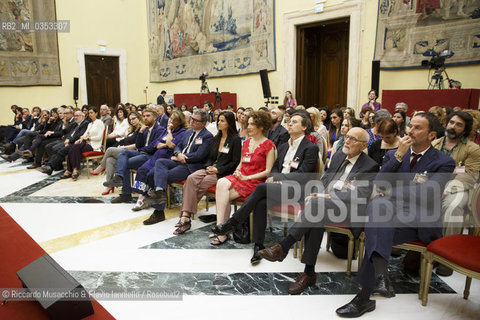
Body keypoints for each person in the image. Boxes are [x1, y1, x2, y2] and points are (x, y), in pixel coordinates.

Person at [336, 112, 455, 318]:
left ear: (431, 134)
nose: (410, 130)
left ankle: (369, 291)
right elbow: (380, 183)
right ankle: (373, 287)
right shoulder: (395, 155)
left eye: (418, 128)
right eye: (411, 126)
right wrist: (399, 155)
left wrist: (392, 192)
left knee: (376, 221)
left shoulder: (443, 162)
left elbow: (429, 193)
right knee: (379, 213)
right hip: (390, 215)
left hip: (419, 221)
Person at [257, 127, 379, 294]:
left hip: (349, 208)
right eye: (346, 137)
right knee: (316, 212)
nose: (347, 141)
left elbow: (360, 194)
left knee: (316, 207)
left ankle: (284, 247)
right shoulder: (338, 156)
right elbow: (325, 179)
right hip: (324, 204)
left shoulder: (369, 166)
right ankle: (308, 272)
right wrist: (318, 193)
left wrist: (326, 197)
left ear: (364, 145)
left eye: (353, 139)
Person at [212, 112, 319, 262]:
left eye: (294, 122)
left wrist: (278, 179)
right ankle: (258, 246)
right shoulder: (283, 146)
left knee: (261, 188)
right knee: (260, 202)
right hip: (277, 187)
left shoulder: (310, 148)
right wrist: (274, 178)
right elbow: (275, 168)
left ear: (304, 127)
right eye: (289, 121)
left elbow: (303, 174)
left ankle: (233, 221)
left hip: (295, 190)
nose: (289, 124)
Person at [210, 111, 275, 245]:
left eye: (252, 124)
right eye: (248, 123)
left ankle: (222, 230)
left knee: (223, 194)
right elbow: (241, 162)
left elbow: (268, 171)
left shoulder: (269, 145)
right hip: (241, 177)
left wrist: (246, 177)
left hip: (255, 181)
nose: (248, 126)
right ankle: (221, 227)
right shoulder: (246, 142)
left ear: (261, 126)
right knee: (221, 182)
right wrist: (238, 171)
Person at [174, 111, 241, 234]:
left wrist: (218, 169)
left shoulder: (235, 140)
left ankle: (185, 217)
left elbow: (235, 162)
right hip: (210, 169)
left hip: (224, 173)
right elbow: (210, 157)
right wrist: (209, 166)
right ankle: (186, 216)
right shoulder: (217, 138)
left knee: (201, 182)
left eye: (222, 121)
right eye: (218, 120)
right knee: (191, 178)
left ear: (229, 123)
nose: (219, 123)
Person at [142, 110, 214, 225]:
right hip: (178, 160)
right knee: (159, 163)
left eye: (196, 120)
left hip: (190, 166)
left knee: (158, 175)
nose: (192, 122)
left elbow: (200, 155)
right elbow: (178, 146)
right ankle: (160, 193)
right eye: (191, 119)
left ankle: (158, 212)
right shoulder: (188, 132)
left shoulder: (207, 136)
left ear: (204, 123)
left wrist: (182, 157)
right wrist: (177, 154)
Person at [432, 111, 480, 276]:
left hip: (460, 187)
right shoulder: (435, 144)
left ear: (465, 129)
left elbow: (469, 175)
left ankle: (447, 257)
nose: (453, 126)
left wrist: (448, 188)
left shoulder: (472, 149)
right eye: (451, 122)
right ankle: (417, 248)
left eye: (459, 124)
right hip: (435, 186)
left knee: (453, 206)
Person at [105, 107, 164, 203]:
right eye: (144, 116)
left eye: (148, 116)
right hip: (141, 153)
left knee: (125, 163)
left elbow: (153, 148)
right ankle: (119, 177)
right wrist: (140, 132)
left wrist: (141, 149)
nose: (145, 118)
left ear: (155, 117)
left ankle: (126, 193)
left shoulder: (160, 129)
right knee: (123, 153)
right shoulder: (144, 129)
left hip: (150, 156)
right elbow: (138, 144)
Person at [130, 110, 187, 209]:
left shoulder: (182, 132)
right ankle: (141, 197)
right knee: (142, 170)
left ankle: (146, 198)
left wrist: (168, 134)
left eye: (174, 120)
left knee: (151, 174)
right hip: (156, 155)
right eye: (170, 119)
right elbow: (156, 144)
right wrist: (166, 143)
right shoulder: (167, 131)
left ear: (179, 121)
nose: (171, 122)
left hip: (167, 157)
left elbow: (172, 145)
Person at [90, 112, 143, 195]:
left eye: (133, 118)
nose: (132, 121)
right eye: (130, 119)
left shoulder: (141, 130)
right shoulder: (132, 130)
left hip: (133, 153)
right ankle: (109, 185)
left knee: (110, 150)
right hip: (124, 152)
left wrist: (123, 147)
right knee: (110, 160)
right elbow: (125, 140)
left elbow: (138, 145)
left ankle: (100, 167)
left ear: (139, 118)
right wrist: (123, 141)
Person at [38, 111, 89, 175]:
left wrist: (69, 141)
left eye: (77, 116)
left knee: (60, 150)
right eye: (75, 116)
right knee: (55, 148)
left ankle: (50, 166)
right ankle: (50, 167)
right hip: (68, 141)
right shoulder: (75, 123)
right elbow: (65, 131)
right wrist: (64, 125)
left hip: (76, 143)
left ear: (83, 117)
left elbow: (80, 135)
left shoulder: (85, 123)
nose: (75, 117)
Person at [62, 106, 105, 180]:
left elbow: (99, 137)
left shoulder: (99, 122)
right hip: (87, 144)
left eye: (92, 113)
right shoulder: (90, 124)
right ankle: (73, 170)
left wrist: (88, 138)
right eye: (89, 113)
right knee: (74, 146)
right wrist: (80, 139)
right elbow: (84, 134)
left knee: (76, 147)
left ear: (96, 113)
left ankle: (71, 170)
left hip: (95, 146)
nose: (90, 114)